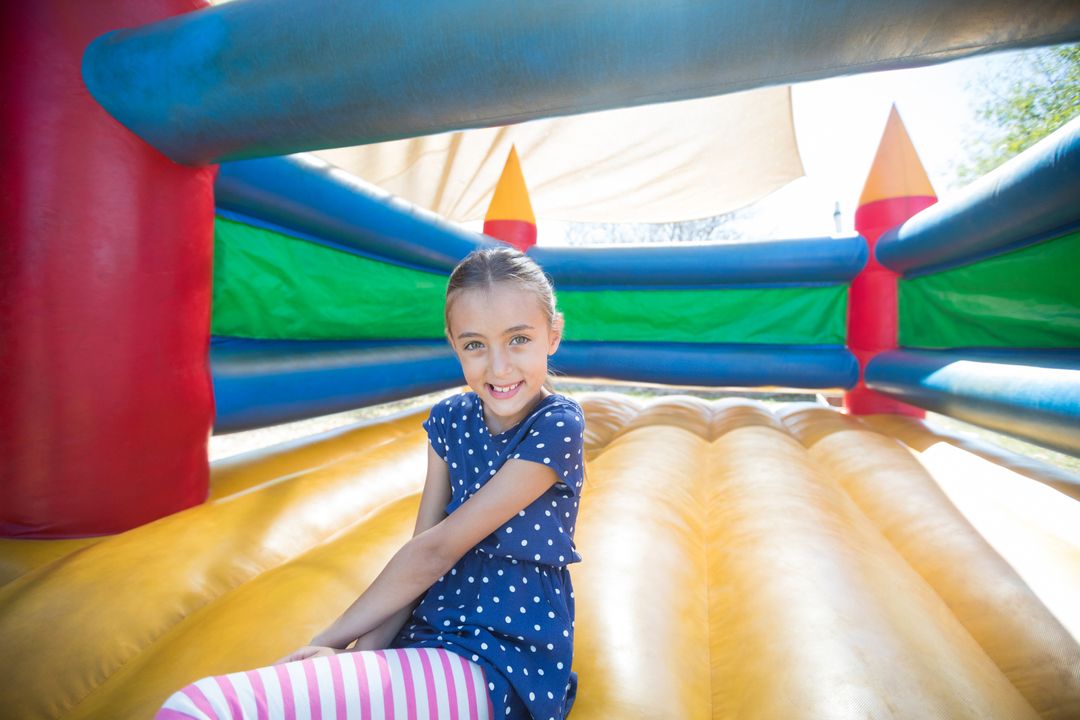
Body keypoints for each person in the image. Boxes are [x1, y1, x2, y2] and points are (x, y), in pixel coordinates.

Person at [156, 246, 585, 720]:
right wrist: (360, 654)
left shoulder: (555, 425)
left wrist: (327, 641)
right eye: (475, 345)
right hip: (428, 636)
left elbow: (438, 549)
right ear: (452, 342)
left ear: (553, 335)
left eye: (518, 339)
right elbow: (420, 553)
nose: (499, 367)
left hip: (501, 656)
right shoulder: (449, 420)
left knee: (196, 708)